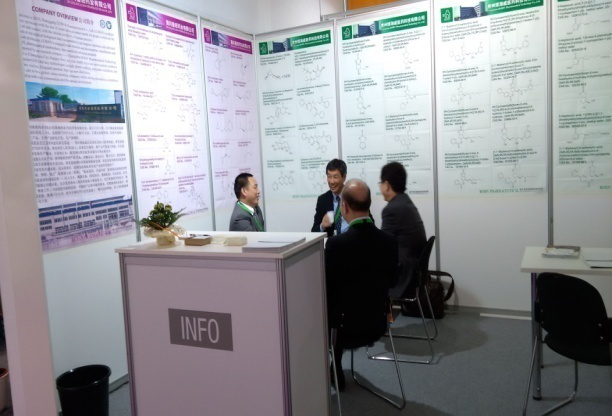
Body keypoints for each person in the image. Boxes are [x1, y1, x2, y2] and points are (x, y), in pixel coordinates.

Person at [325, 179, 398, 391]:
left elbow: (328, 291)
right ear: (369, 204)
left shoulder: (336, 245)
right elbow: (392, 282)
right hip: (377, 325)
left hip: (343, 331)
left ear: (344, 206)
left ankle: (334, 366)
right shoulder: (390, 241)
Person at [379, 162, 426, 298]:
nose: (380, 187)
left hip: (402, 273)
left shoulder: (392, 209)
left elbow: (382, 246)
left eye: (381, 183)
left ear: (387, 185)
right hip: (413, 268)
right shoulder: (405, 202)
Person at [311, 159, 349, 237]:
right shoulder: (322, 200)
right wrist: (322, 226)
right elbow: (313, 232)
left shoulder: (354, 196)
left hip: (351, 242)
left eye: (335, 177)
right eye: (329, 176)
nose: (331, 181)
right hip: (331, 243)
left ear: (344, 177)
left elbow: (369, 224)